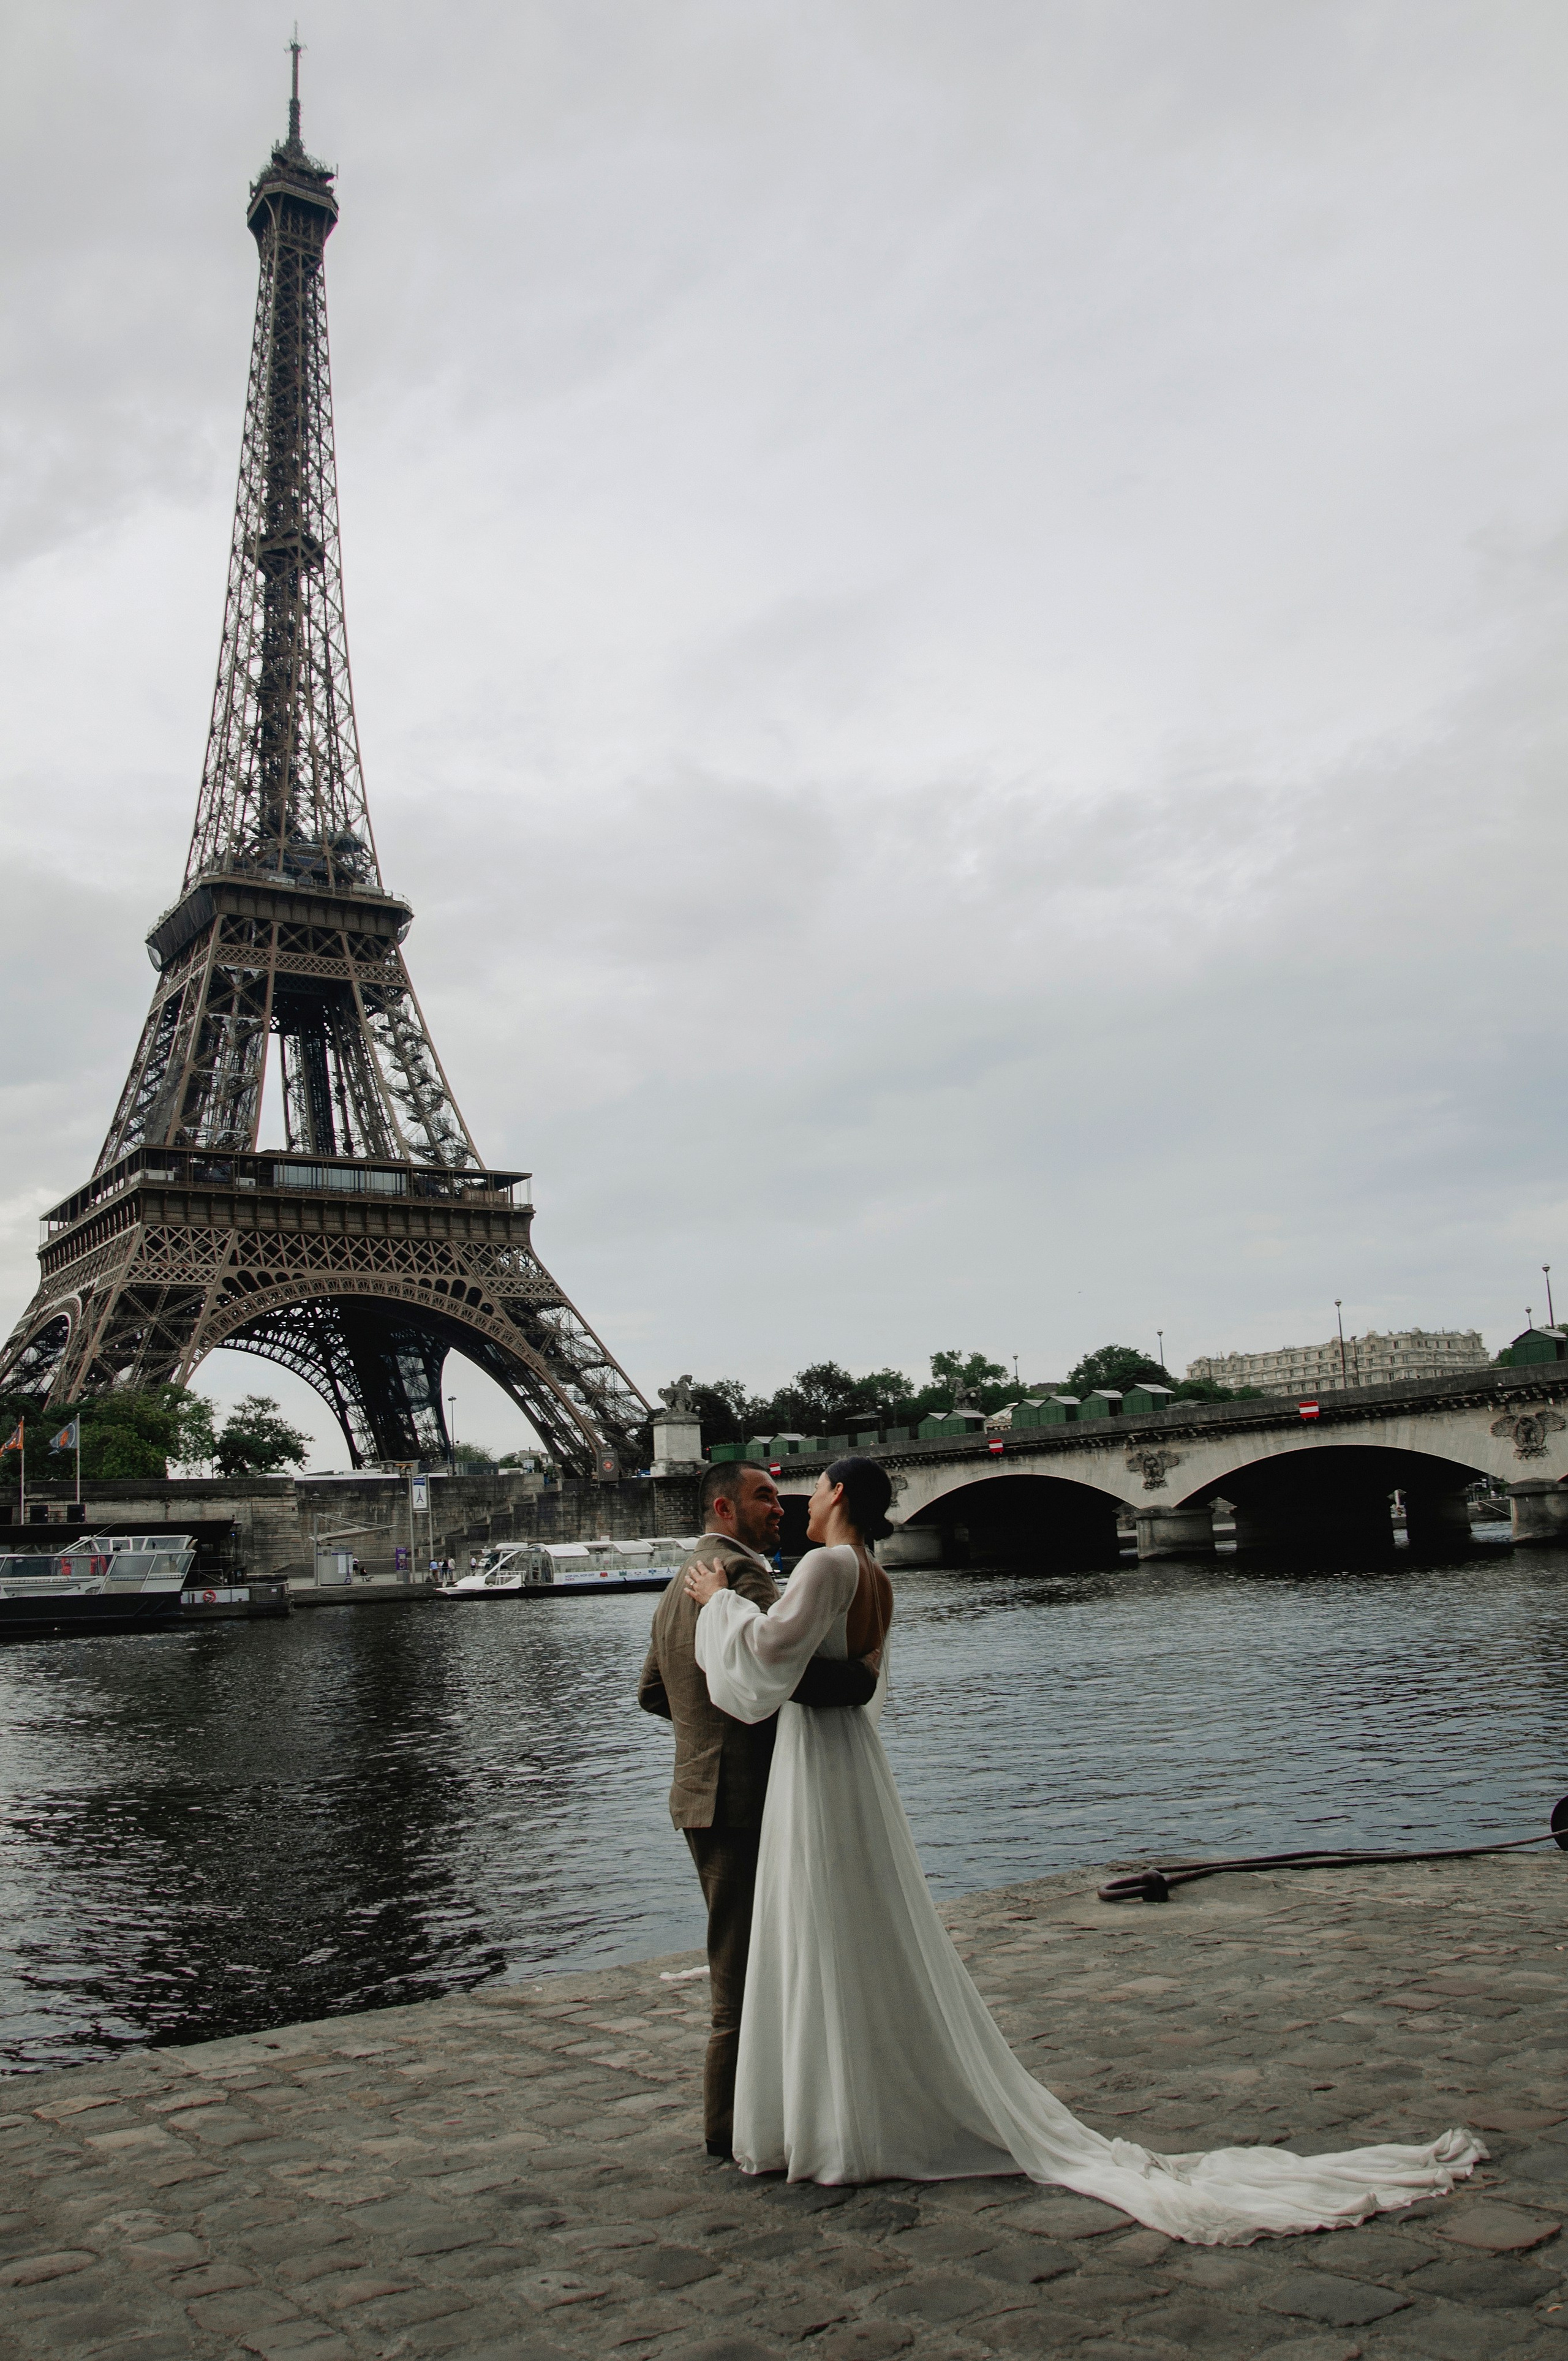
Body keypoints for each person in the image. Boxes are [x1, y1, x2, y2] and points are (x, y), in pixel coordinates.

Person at [682, 1455, 1485, 2246]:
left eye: (816, 1485)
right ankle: (852, 2105)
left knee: (820, 1922)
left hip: (817, 1763)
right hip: (853, 1760)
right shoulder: (877, 1574)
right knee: (856, 1917)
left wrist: (719, 1605)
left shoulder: (826, 1562)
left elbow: (769, 1660)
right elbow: (853, 1679)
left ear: (842, 1495)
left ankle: (831, 2113)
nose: (804, 1497)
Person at [638, 1461, 878, 2160]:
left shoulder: (677, 1581)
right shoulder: (742, 1579)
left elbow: (654, 1691)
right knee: (747, 1972)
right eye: (764, 1497)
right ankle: (731, 2128)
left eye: (781, 1498)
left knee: (738, 1961)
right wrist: (862, 1675)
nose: (780, 1509)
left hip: (698, 1795)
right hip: (746, 1796)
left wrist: (705, 1736)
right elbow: (782, 1673)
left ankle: (750, 2118)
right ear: (724, 1508)